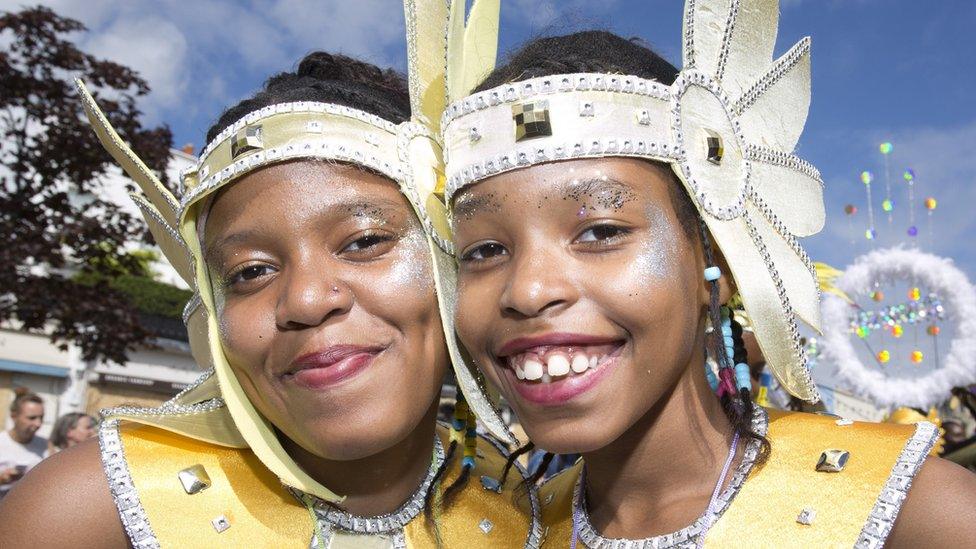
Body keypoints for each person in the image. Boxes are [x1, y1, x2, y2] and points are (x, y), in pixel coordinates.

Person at [417, 0, 976, 546]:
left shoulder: (915, 516)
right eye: (485, 249)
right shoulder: (505, 535)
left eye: (601, 232)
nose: (529, 290)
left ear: (717, 260)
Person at [0, 37, 540, 548]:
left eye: (364, 241)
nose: (305, 300)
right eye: (250, 272)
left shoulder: (535, 516)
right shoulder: (87, 511)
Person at [0, 389, 47, 499]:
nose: (38, 423)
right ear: (14, 416)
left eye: (41, 417)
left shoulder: (45, 444)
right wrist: (3, 478)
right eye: (32, 418)